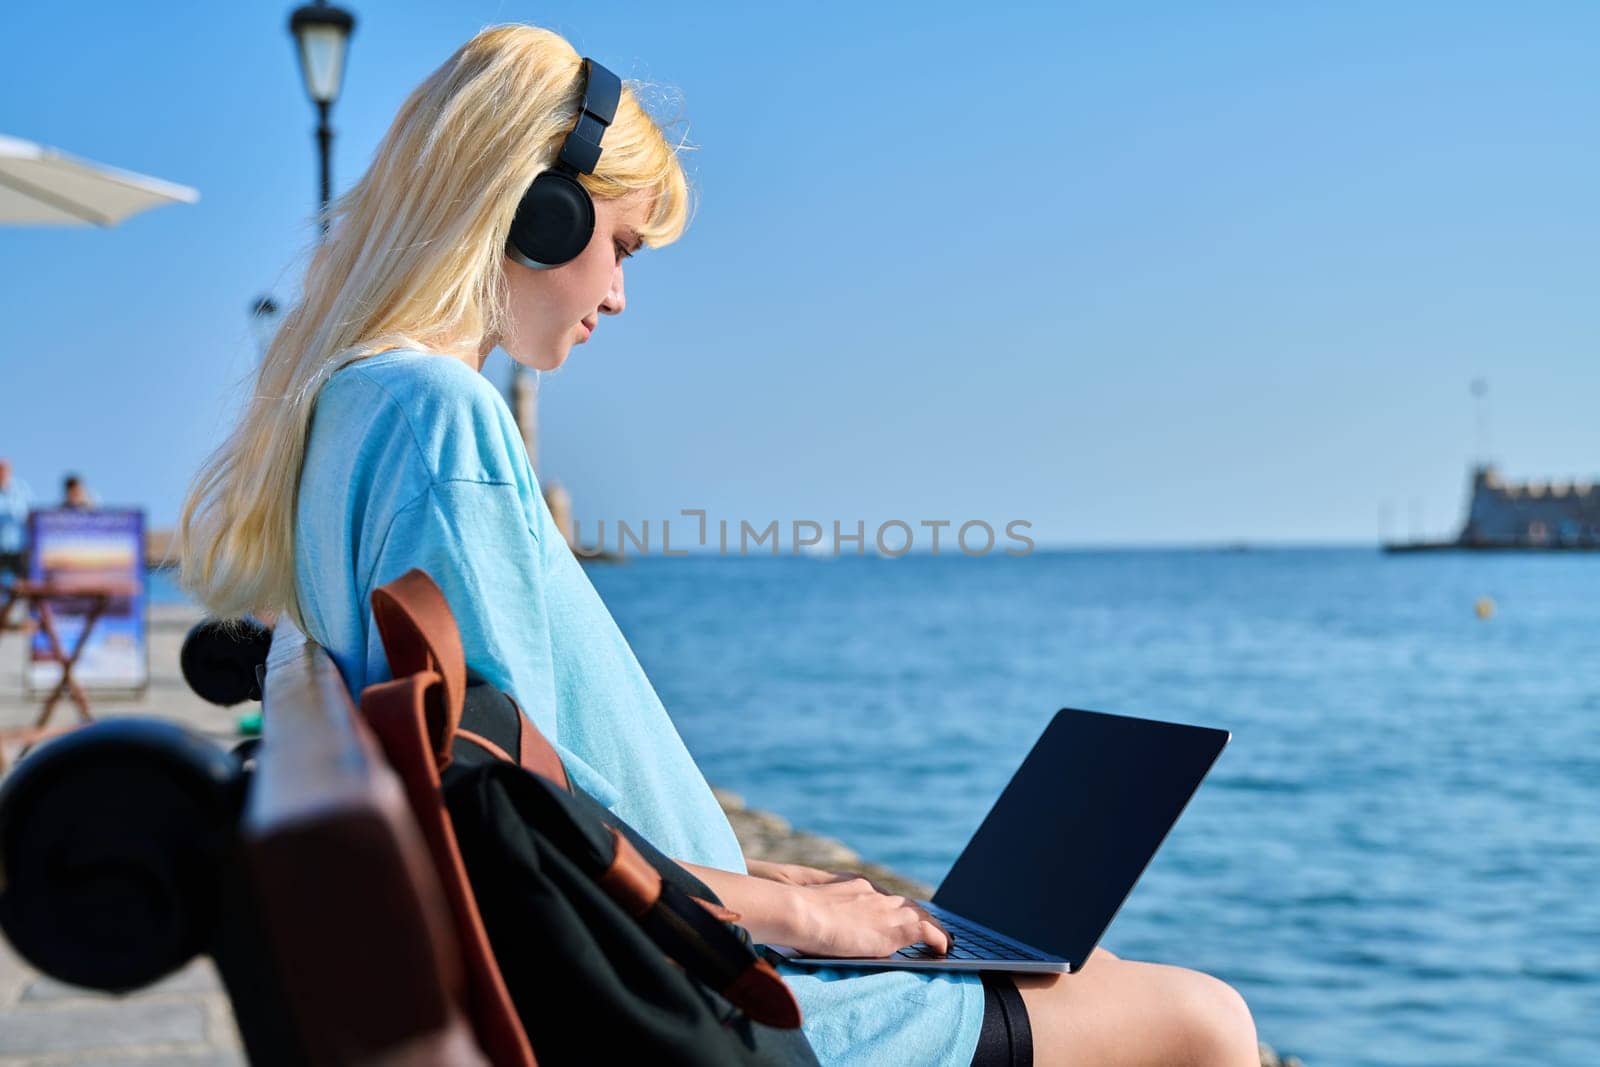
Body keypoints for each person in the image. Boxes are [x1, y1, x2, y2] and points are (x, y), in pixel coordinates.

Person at [178, 25, 1256, 1066]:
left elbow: (524, 805)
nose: (616, 293)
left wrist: (763, 888)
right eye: (619, 246)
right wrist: (782, 909)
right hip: (709, 997)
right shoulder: (435, 412)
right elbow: (520, 839)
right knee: (1202, 1017)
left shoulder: (351, 407)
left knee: (1079, 966)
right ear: (536, 215)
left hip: (687, 948)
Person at [0, 457, 31, 581]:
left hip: (19, 546)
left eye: (4, 470)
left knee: (21, 583)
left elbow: (31, 514)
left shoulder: (21, 488)